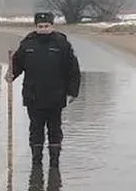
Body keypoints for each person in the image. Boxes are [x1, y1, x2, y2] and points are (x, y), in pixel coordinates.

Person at [7, 11, 81, 166]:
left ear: (52, 26)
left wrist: (72, 92)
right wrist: (11, 74)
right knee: (35, 129)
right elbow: (17, 63)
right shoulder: (27, 44)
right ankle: (36, 161)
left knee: (54, 129)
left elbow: (72, 70)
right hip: (33, 96)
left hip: (56, 96)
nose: (43, 29)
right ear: (36, 27)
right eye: (40, 26)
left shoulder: (62, 44)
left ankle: (54, 162)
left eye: (46, 26)